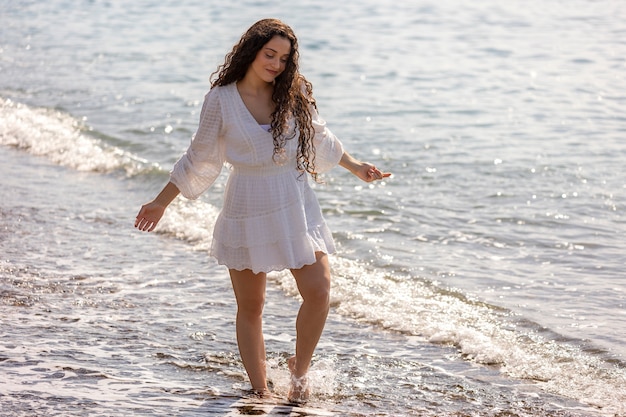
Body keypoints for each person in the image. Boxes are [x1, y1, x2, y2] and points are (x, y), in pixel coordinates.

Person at [134, 18, 390, 403]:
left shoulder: (294, 91)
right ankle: (259, 390)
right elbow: (198, 158)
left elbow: (321, 137)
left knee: (319, 291)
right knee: (252, 306)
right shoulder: (221, 100)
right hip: (248, 204)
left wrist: (357, 168)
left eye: (284, 58)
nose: (276, 64)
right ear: (251, 51)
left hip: (295, 201)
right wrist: (160, 202)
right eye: (270, 54)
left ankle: (298, 374)